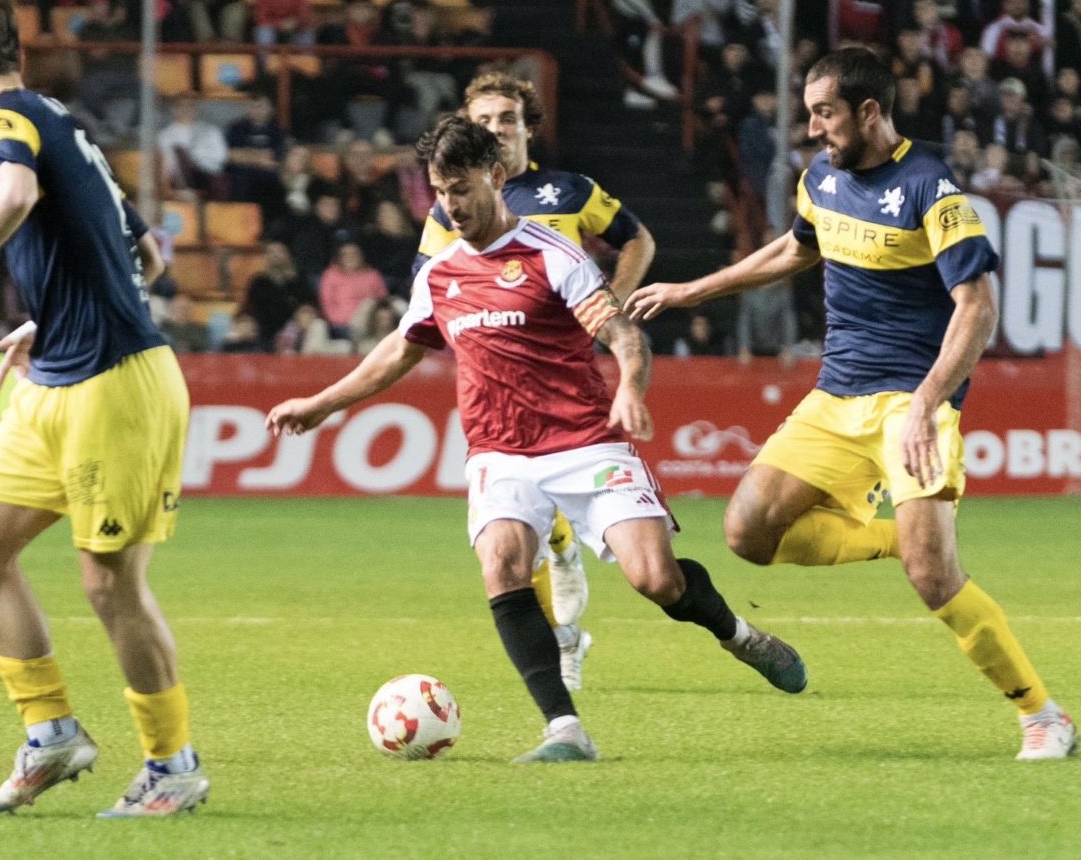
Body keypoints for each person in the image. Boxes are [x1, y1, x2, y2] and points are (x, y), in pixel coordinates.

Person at [266, 116, 807, 762]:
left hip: (585, 438)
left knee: (655, 577)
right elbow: (398, 350)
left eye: (462, 188)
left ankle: (740, 635)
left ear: (496, 177)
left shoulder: (552, 254)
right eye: (441, 191)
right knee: (502, 565)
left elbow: (623, 334)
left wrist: (629, 388)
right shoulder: (439, 275)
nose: (452, 205)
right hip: (500, 452)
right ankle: (565, 729)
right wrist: (322, 405)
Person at [626, 47, 1077, 761]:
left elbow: (977, 308)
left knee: (934, 580)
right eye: (810, 113)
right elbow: (795, 251)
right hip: (835, 395)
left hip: (911, 402)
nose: (813, 128)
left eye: (825, 113)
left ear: (869, 111)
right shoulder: (821, 179)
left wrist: (930, 402)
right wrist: (690, 291)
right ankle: (900, 537)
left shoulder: (933, 189)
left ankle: (1042, 715)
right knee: (748, 531)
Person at [0, 0, 210, 814]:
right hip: (55, 374)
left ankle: (173, 767)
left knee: (110, 583)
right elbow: (147, 254)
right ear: (17, 55)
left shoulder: (0, 121)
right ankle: (52, 735)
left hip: (116, 381)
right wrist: (53, 313)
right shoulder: (54, 117)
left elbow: (14, 196)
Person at [412, 71, 660, 692]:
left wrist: (609, 303)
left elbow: (635, 239)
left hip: (569, 364)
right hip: (500, 371)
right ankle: (565, 640)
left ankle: (570, 610)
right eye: (483, 119)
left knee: (564, 526)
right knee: (519, 534)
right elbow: (429, 289)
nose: (495, 128)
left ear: (527, 127)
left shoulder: (570, 190)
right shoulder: (453, 205)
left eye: (505, 119)